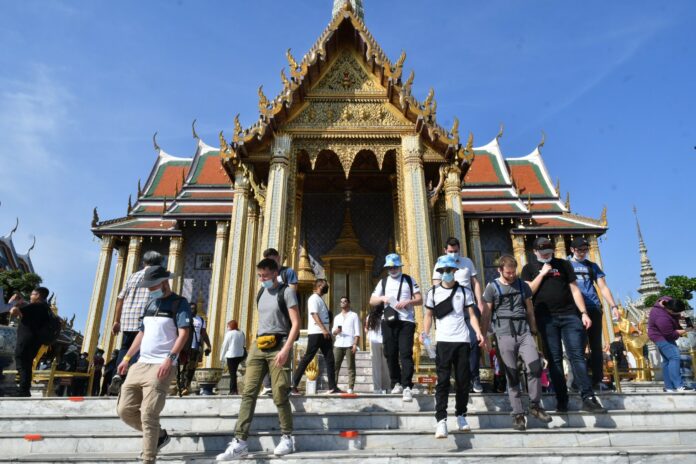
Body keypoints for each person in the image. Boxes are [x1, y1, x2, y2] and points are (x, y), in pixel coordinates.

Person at [216, 258, 300, 461]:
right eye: (259, 276)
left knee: (279, 392)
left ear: (275, 273)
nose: (262, 279)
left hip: (278, 345)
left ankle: (287, 437)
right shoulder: (261, 292)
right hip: (259, 346)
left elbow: (296, 323)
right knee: (249, 392)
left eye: (265, 276)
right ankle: (240, 442)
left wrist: (286, 349)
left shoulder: (286, 292)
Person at [116, 265, 192, 464]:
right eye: (148, 287)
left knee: (149, 413)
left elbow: (183, 333)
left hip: (161, 365)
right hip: (141, 363)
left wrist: (170, 358)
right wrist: (126, 358)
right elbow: (142, 333)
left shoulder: (179, 303)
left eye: (153, 286)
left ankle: (148, 458)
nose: (150, 290)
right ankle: (159, 436)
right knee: (124, 410)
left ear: (164, 282)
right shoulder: (150, 304)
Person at [521, 237, 606, 413]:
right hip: (546, 318)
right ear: (535, 252)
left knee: (577, 356)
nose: (546, 255)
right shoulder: (529, 269)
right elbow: (528, 292)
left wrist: (583, 312)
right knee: (554, 360)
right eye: (543, 252)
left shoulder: (563, 264)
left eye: (549, 252)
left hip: (569, 315)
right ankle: (562, 399)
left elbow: (575, 289)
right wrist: (543, 273)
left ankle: (588, 397)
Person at [480, 254, 552, 430]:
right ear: (500, 270)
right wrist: (484, 336)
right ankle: (518, 414)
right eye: (508, 273)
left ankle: (535, 405)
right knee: (511, 374)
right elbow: (486, 314)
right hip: (503, 333)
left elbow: (529, 309)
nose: (511, 276)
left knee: (535, 367)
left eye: (513, 272)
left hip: (523, 331)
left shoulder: (522, 286)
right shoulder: (492, 287)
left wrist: (533, 331)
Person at [422, 255, 484, 438]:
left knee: (463, 381)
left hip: (462, 340)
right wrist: (425, 333)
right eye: (443, 271)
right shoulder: (433, 292)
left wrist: (478, 332)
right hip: (443, 341)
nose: (446, 274)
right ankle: (441, 420)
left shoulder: (465, 292)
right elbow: (428, 315)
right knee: (442, 381)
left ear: (455, 272)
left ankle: (461, 414)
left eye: (449, 271)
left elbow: (471, 315)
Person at [432, 237, 485, 393]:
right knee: (452, 344)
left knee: (474, 341)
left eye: (456, 251)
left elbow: (475, 282)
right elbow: (435, 283)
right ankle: (456, 379)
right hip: (450, 308)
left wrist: (479, 302)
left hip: (468, 306)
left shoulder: (467, 262)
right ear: (445, 250)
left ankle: (475, 377)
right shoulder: (441, 263)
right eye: (450, 251)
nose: (454, 254)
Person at [568, 237, 620, 389]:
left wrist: (613, 306)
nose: (583, 253)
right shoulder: (566, 265)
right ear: (572, 250)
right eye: (579, 250)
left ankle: (597, 380)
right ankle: (579, 381)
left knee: (596, 346)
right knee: (578, 346)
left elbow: (603, 287)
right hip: (575, 309)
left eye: (585, 250)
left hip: (594, 307)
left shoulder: (592, 266)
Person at [109, 251, 164, 394]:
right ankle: (129, 377)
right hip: (145, 318)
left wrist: (116, 320)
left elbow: (120, 299)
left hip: (128, 317)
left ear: (144, 262)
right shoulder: (157, 276)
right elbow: (160, 298)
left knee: (125, 347)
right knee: (140, 349)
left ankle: (117, 374)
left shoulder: (133, 276)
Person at [369, 253, 422, 402]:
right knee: (390, 353)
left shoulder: (409, 280)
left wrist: (408, 301)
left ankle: (406, 386)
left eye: (395, 266)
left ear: (400, 266)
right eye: (390, 267)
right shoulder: (383, 282)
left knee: (405, 353)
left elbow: (420, 299)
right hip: (389, 321)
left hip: (406, 321)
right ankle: (396, 382)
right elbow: (372, 300)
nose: (392, 269)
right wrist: (382, 298)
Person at [260, 247, 298, 395]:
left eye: (273, 259)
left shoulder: (288, 272)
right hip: (270, 316)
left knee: (284, 348)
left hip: (285, 314)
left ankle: (286, 384)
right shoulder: (266, 275)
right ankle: (267, 385)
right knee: (266, 348)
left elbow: (292, 291)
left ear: (278, 257)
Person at [291, 279, 340, 395]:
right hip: (317, 333)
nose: (326, 287)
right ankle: (293, 385)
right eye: (325, 285)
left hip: (325, 333)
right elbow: (314, 315)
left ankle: (332, 387)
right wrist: (323, 329)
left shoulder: (320, 299)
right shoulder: (313, 298)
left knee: (330, 360)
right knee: (307, 358)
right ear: (319, 286)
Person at [9, 287, 51, 397]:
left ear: (38, 295)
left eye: (32, 294)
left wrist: (14, 303)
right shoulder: (46, 308)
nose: (30, 296)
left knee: (22, 363)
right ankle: (25, 390)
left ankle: (23, 391)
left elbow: (13, 311)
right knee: (27, 364)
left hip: (26, 339)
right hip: (36, 341)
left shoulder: (35, 306)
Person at [648, 297, 694, 392]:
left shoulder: (667, 300)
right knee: (674, 357)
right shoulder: (661, 317)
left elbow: (669, 304)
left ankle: (669, 387)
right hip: (660, 337)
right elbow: (670, 334)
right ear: (670, 310)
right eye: (676, 313)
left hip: (661, 335)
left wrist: (679, 316)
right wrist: (687, 330)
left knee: (667, 361)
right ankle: (679, 386)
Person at [181, 302, 212, 395]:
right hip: (185, 347)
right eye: (190, 308)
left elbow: (203, 333)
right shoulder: (185, 318)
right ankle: (181, 386)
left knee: (192, 368)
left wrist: (209, 345)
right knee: (183, 367)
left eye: (194, 308)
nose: (192, 310)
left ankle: (186, 385)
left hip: (195, 347)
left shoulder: (200, 320)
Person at [332, 296, 360, 394]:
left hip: (349, 344)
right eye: (341, 301)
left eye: (345, 301)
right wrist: (336, 331)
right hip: (338, 344)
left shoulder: (354, 315)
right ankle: (333, 386)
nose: (343, 303)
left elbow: (357, 332)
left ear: (349, 303)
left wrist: (355, 344)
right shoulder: (337, 317)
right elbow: (333, 332)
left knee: (351, 367)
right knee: (335, 366)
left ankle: (350, 387)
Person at [365, 306, 389, 394]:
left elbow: (366, 329)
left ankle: (379, 388)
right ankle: (385, 388)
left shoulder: (373, 316)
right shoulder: (371, 316)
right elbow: (366, 328)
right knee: (384, 365)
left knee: (379, 366)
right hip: (380, 341)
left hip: (379, 341)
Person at [220, 320, 246, 395]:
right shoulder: (241, 333)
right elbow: (244, 343)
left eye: (228, 326)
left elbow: (224, 346)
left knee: (232, 373)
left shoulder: (229, 333)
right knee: (234, 373)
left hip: (231, 356)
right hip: (240, 355)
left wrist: (221, 357)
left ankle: (233, 391)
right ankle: (234, 390)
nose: (227, 328)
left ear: (230, 326)